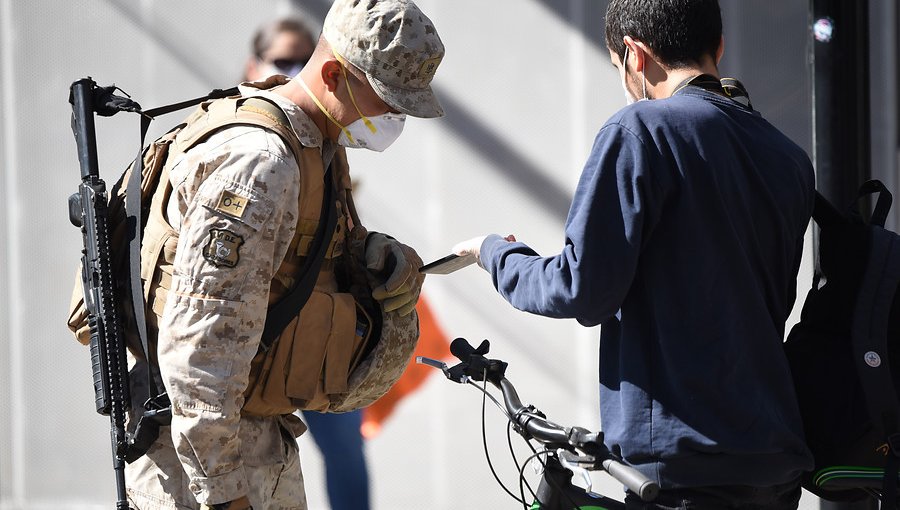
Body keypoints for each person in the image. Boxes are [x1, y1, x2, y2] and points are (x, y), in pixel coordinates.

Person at [452, 1, 815, 508]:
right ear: (719, 48)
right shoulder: (786, 156)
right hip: (772, 460)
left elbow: (580, 288)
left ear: (634, 55)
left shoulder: (641, 130)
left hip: (684, 461)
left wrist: (494, 254)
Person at [123, 0, 444, 508]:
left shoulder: (315, 144)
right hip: (200, 467)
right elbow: (201, 347)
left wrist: (369, 251)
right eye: (388, 100)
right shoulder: (262, 164)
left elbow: (297, 256)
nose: (395, 117)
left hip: (254, 440)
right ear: (335, 73)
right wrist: (226, 495)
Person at [241, 17, 372, 510]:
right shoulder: (246, 142)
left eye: (303, 57)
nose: (294, 69)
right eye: (281, 59)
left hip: (319, 331)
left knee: (346, 454)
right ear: (253, 66)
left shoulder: (321, 139)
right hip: (252, 344)